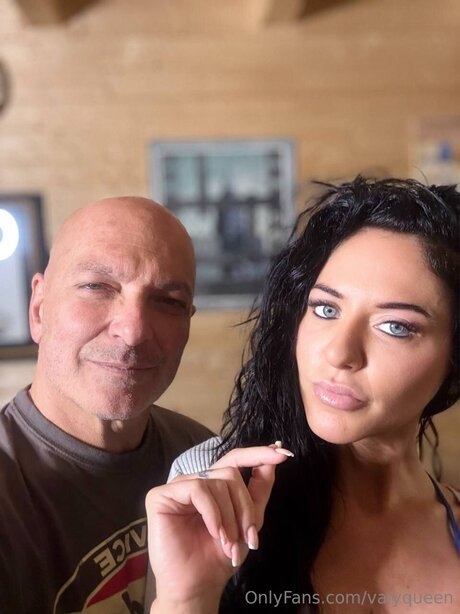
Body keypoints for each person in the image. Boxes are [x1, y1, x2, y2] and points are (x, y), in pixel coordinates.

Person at [145, 176, 460, 613]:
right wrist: (187, 598)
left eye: (395, 326)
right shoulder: (215, 497)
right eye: (326, 309)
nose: (338, 352)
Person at [0, 196, 213, 613]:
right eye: (96, 287)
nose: (133, 331)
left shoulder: (202, 459)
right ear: (39, 309)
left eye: (168, 301)